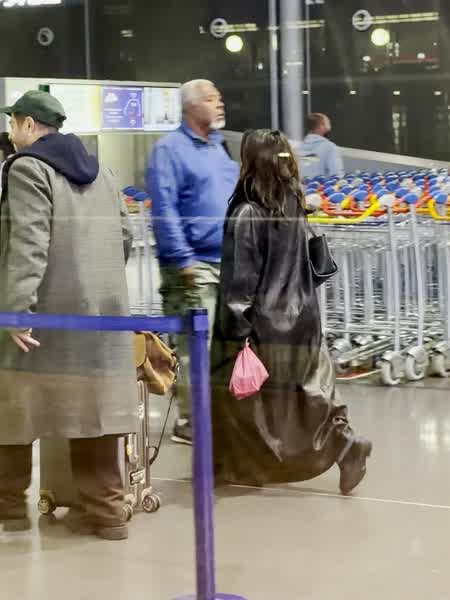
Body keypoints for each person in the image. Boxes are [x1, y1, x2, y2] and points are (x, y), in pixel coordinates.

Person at [0, 90, 137, 540]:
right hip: (101, 315)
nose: (10, 132)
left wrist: (17, 311)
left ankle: (9, 508)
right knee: (95, 411)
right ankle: (108, 512)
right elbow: (125, 235)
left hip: (46, 317)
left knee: (14, 405)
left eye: (12, 123)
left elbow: (28, 242)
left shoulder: (28, 169)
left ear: (28, 124)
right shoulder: (103, 171)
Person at [212, 129, 372, 493]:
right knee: (301, 400)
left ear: (249, 161)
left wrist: (234, 336)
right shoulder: (291, 203)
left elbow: (239, 283)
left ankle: (241, 467)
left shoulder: (247, 213)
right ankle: (345, 445)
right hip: (302, 318)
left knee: (246, 403)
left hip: (263, 326)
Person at [147, 79, 239, 445]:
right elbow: (164, 208)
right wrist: (182, 258)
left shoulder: (219, 148)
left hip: (225, 260)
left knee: (220, 347)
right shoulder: (168, 150)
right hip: (192, 265)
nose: (219, 104)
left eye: (219, 98)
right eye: (211, 99)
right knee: (194, 347)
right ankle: (190, 420)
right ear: (190, 107)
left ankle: (213, 414)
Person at [299, 113, 344, 178]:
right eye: (328, 123)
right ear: (321, 126)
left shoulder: (299, 147)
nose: (329, 126)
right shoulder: (330, 147)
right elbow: (336, 175)